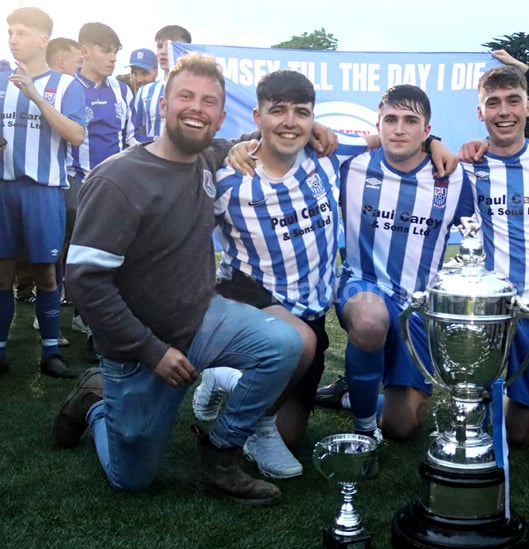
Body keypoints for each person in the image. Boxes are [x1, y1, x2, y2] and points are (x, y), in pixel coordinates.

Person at [53, 53, 302, 505]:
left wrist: (315, 132)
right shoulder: (119, 179)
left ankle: (220, 458)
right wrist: (152, 352)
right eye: (186, 96)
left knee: (284, 345)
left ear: (220, 116)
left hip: (201, 318)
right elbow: (85, 284)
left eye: (208, 102)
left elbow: (247, 141)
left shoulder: (206, 157)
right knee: (132, 481)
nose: (197, 108)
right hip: (139, 348)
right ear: (163, 104)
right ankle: (95, 403)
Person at [191, 70, 375, 479]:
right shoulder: (228, 177)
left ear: (313, 119)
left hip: (309, 306)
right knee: (299, 341)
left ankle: (224, 382)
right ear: (257, 116)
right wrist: (221, 150)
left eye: (301, 113)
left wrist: (433, 143)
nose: (290, 121)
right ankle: (242, 426)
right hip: (250, 298)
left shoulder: (328, 155)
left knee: (290, 435)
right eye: (278, 111)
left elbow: (388, 141)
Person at [319, 85, 473, 442]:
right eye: (391, 120)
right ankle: (363, 432)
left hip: (416, 304)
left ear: (427, 129)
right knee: (371, 322)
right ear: (378, 124)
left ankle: (352, 393)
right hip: (364, 283)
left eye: (410, 121)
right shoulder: (351, 165)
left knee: (403, 427)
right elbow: (291, 141)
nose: (399, 129)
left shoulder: (454, 177)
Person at [464, 64, 529, 448]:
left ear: (528, 107)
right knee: (472, 417)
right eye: (493, 103)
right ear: (480, 113)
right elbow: (411, 150)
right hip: (491, 307)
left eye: (513, 101)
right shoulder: (467, 166)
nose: (503, 111)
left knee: (520, 437)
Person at [0, 7, 86, 378]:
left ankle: (50, 353)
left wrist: (36, 96)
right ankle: (0, 351)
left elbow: (76, 134)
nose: (13, 38)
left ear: (43, 40)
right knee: (1, 274)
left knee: (47, 274)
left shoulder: (67, 85)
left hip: (44, 190)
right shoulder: (0, 81)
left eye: (21, 32)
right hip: (4, 189)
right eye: (10, 32)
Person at [67, 22, 137, 362]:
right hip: (78, 184)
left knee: (119, 259)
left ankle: (103, 330)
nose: (112, 58)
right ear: (84, 51)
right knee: (87, 263)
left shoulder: (122, 92)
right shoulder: (67, 88)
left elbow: (132, 136)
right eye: (105, 50)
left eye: (115, 51)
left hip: (119, 187)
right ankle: (88, 324)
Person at [133, 25, 191, 142]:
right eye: (160, 46)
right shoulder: (145, 91)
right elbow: (135, 131)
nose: (163, 52)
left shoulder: (197, 90)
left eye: (170, 46)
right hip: (151, 158)